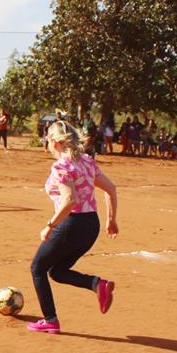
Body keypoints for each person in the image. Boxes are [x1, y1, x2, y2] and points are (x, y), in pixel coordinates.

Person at [26, 121, 119, 334]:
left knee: (37, 268)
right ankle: (98, 284)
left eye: (47, 139)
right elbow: (111, 189)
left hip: (72, 224)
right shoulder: (87, 161)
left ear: (56, 142)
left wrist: (50, 226)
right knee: (57, 272)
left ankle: (50, 320)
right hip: (90, 225)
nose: (46, 143)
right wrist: (111, 220)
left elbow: (70, 200)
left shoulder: (62, 166)